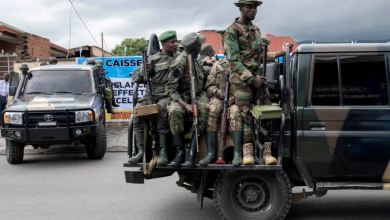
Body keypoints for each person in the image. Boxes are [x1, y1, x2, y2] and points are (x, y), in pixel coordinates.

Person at [224, 0, 277, 166]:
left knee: (266, 110)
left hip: (256, 77)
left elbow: (258, 56)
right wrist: (250, 79)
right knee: (246, 115)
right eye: (249, 7)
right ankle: (248, 152)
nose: (253, 10)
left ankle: (267, 151)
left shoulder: (256, 29)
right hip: (241, 80)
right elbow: (233, 61)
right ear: (241, 8)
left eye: (255, 7)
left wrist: (259, 78)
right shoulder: (231, 30)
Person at [128, 30, 179, 165]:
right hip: (152, 93)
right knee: (138, 111)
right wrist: (145, 70)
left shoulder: (179, 57)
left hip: (168, 93)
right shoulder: (152, 59)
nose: (175, 44)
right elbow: (135, 78)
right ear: (163, 44)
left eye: (176, 41)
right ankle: (140, 152)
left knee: (162, 110)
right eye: (172, 42)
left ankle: (163, 153)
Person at [166, 32, 209, 167]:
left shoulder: (194, 59)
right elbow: (171, 89)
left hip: (198, 94)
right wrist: (186, 105)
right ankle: (179, 152)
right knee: (175, 112)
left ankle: (192, 152)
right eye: (199, 45)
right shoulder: (180, 63)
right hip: (182, 97)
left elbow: (203, 74)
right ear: (195, 48)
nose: (200, 47)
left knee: (203, 110)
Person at [199, 56, 231, 165]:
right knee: (211, 111)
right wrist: (217, 92)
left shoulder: (243, 64)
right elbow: (209, 87)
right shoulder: (218, 65)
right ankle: (211, 153)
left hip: (237, 98)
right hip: (219, 97)